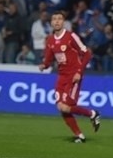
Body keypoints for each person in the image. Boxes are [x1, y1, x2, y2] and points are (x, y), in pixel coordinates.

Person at [38, 10, 101, 143]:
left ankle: (92, 114)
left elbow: (87, 53)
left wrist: (79, 71)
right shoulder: (50, 40)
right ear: (51, 22)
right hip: (61, 77)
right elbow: (49, 60)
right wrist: (44, 65)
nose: (56, 21)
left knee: (66, 107)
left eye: (59, 19)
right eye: (54, 19)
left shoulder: (71, 36)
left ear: (64, 22)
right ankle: (79, 135)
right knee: (61, 108)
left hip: (73, 76)